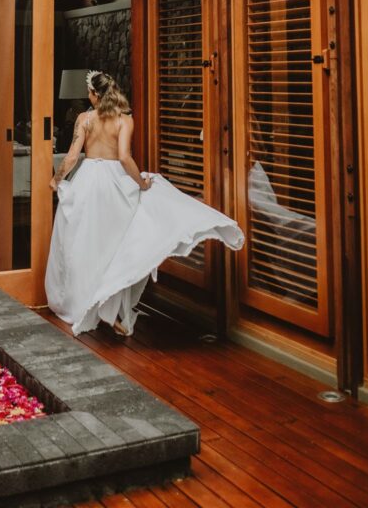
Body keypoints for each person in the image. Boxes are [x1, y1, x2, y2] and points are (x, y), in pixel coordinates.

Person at [45, 70, 244, 337]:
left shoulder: (84, 119)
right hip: (115, 182)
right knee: (113, 246)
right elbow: (125, 158)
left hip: (88, 180)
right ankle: (107, 307)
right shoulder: (125, 120)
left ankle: (83, 304)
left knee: (83, 244)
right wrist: (142, 184)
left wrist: (56, 180)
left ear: (94, 94)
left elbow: (70, 158)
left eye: (89, 93)